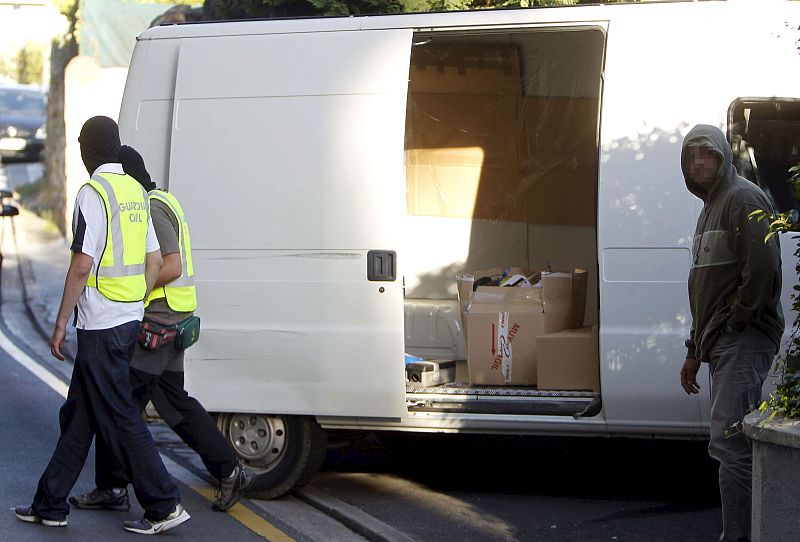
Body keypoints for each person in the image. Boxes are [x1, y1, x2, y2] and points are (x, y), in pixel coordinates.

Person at [14, 116, 190, 535]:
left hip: (99, 327)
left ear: (86, 150)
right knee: (80, 414)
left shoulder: (92, 193)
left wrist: (61, 322)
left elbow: (81, 264)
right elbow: (153, 260)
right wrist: (136, 301)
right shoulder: (135, 191)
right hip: (127, 321)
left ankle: (163, 503)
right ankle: (50, 503)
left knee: (121, 415)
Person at [69, 145, 252, 513]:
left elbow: (171, 265)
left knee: (120, 405)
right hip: (173, 320)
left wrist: (133, 294)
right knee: (173, 404)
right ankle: (228, 469)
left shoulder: (150, 207)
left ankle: (116, 488)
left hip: (157, 323)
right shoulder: (164, 199)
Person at [680, 124, 784, 542]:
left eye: (708, 154)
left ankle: (739, 536)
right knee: (730, 443)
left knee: (730, 443)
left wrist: (738, 320)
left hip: (743, 336)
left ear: (724, 156)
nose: (699, 163)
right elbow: (706, 289)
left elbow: (764, 269)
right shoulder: (710, 207)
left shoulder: (742, 197)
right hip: (723, 339)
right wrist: (694, 349)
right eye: (692, 156)